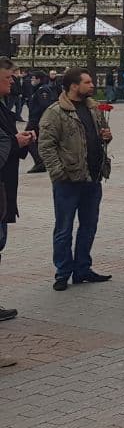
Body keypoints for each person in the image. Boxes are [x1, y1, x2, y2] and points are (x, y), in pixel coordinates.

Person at [36, 68, 113, 291]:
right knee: (64, 228)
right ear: (73, 86)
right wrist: (58, 173)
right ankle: (62, 272)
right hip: (68, 180)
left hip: (93, 176)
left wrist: (106, 137)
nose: (92, 86)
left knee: (89, 225)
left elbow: (100, 136)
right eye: (88, 82)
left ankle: (82, 268)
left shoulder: (93, 108)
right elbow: (46, 146)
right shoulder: (56, 112)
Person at [1, 57, 34, 344]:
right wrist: (16, 142)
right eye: (9, 77)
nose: (13, 82)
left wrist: (18, 142)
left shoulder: (4, 107)